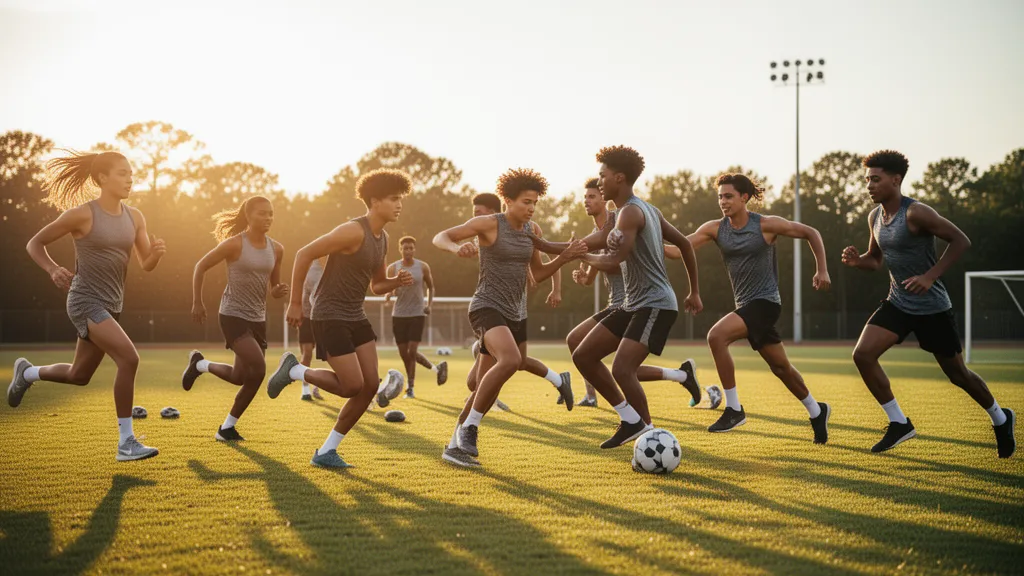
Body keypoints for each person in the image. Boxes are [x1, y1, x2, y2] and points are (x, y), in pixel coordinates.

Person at [842, 150, 1015, 457]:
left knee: (958, 374)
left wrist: (930, 276)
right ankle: (899, 423)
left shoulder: (916, 212)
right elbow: (876, 261)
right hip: (898, 301)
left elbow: (961, 240)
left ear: (896, 180)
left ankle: (1001, 419)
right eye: (867, 179)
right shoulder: (875, 217)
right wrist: (858, 262)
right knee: (863, 355)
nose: (869, 185)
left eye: (875, 179)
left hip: (931, 307)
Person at [532, 145, 702, 449]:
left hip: (655, 304)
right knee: (583, 354)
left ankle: (648, 432)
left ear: (619, 178)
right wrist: (539, 242)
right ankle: (630, 419)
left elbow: (610, 260)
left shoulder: (633, 213)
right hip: (633, 304)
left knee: (623, 369)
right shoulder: (638, 211)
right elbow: (585, 244)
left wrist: (583, 258)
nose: (598, 182)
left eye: (602, 176)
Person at [9, 150, 164, 461]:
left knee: (79, 375)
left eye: (131, 173)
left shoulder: (136, 217)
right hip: (84, 300)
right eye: (122, 173)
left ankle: (27, 373)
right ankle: (126, 442)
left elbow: (145, 263)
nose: (129, 178)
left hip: (112, 304)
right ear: (102, 178)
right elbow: (34, 243)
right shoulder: (83, 214)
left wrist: (157, 254)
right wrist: (53, 269)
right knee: (129, 359)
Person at [433, 169, 585, 466]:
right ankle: (471, 428)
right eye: (526, 202)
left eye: (535, 204)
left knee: (483, 387)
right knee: (512, 360)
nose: (531, 208)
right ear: (507, 201)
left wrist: (563, 258)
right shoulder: (489, 224)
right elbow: (442, 236)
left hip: (515, 312)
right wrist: (456, 247)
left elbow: (538, 273)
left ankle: (454, 446)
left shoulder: (532, 231)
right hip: (486, 306)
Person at [265, 168, 415, 468]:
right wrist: (295, 303)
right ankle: (295, 371)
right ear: (374, 201)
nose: (400, 204)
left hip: (355, 314)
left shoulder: (382, 238)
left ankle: (326, 451)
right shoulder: (353, 231)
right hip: (328, 313)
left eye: (402, 199)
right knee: (351, 386)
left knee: (370, 385)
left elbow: (377, 284)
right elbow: (304, 254)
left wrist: (396, 282)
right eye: (394, 198)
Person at [687, 173, 831, 442]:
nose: (723, 201)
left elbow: (811, 232)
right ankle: (816, 410)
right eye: (720, 196)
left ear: (744, 197)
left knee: (716, 336)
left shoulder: (766, 225)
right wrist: (645, 240)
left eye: (728, 196)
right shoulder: (715, 228)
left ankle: (733, 409)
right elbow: (679, 248)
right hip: (745, 305)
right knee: (781, 368)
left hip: (765, 303)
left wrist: (822, 269)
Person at [566, 179, 699, 408]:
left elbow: (616, 262)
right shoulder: (596, 236)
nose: (587, 200)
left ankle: (632, 410)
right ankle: (679, 377)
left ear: (603, 200)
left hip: (632, 302)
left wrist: (578, 254)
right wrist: (583, 275)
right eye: (585, 196)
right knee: (591, 351)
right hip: (622, 303)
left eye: (592, 196)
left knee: (621, 367)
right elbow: (592, 275)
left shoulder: (623, 220)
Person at [181, 196, 288, 441]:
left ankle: (199, 365)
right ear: (248, 216)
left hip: (257, 319)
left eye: (271, 213)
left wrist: (278, 291)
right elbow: (200, 266)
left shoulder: (277, 249)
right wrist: (197, 302)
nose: (268, 218)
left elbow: (273, 286)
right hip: (232, 315)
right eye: (262, 213)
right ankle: (226, 428)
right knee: (258, 369)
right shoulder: (234, 245)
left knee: (240, 377)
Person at [464, 193, 571, 412]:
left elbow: (546, 259)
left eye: (478, 213)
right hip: (490, 306)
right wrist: (461, 247)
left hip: (516, 308)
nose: (474, 218)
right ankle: (472, 418)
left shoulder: (526, 229)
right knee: (479, 379)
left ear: (494, 212)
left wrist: (556, 288)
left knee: (516, 362)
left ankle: (559, 381)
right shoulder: (485, 233)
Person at [384, 236, 447, 399]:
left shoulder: (423, 267)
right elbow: (388, 287)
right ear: (400, 249)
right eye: (405, 248)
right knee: (403, 353)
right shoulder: (393, 268)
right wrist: (389, 294)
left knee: (412, 351)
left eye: (411, 248)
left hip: (417, 313)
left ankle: (410, 387)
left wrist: (429, 305)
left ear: (414, 249)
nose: (408, 251)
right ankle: (436, 369)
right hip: (399, 314)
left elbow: (431, 287)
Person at [298, 257, 325, 401]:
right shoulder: (312, 271)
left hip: (325, 318)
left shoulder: (334, 267)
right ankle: (305, 389)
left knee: (332, 355)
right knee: (307, 353)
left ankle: (318, 384)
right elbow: (304, 293)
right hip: (308, 318)